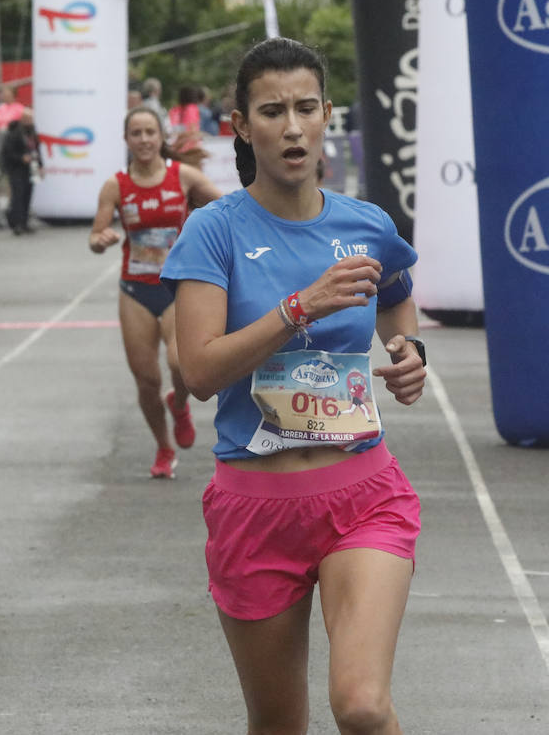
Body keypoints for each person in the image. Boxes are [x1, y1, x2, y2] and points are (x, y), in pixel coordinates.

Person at [160, 37, 427, 734]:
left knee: (363, 706)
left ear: (326, 115)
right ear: (242, 126)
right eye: (272, 111)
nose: (293, 126)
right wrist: (299, 307)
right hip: (256, 506)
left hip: (362, 496)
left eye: (307, 108)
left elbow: (397, 292)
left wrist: (407, 350)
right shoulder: (211, 233)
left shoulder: (365, 224)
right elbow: (199, 371)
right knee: (279, 725)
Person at [89, 105, 223, 478]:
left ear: (161, 136)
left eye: (151, 132)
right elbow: (95, 236)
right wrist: (101, 239)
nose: (145, 140)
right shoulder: (116, 185)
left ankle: (179, 403)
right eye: (137, 133)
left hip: (177, 287)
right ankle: (164, 448)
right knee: (146, 378)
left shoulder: (182, 176)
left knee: (181, 363)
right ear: (127, 140)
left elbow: (230, 208)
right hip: (135, 289)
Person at [0, 109, 39, 235]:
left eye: (31, 119)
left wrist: (40, 165)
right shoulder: (14, 134)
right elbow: (8, 153)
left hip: (30, 170)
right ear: (22, 120)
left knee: (27, 196)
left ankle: (25, 222)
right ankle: (16, 223)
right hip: (16, 170)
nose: (30, 122)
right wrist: (21, 158)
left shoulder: (32, 133)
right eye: (27, 119)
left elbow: (36, 150)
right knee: (18, 196)